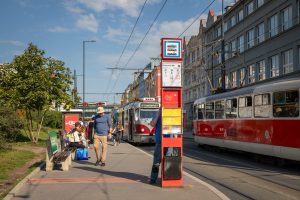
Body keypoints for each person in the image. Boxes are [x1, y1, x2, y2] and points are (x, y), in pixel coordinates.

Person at [149, 109, 162, 184]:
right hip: (159, 142)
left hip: (170, 142)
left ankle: (168, 178)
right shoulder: (157, 116)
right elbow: (152, 124)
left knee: (169, 160)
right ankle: (153, 178)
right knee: (156, 162)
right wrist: (158, 114)